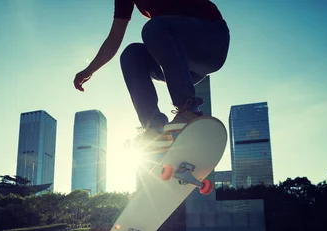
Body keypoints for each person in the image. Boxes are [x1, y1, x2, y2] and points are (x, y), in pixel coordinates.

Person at [74, 0, 230, 145]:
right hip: (184, 63)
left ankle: (188, 109)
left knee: (155, 27)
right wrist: (90, 70)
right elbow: (114, 37)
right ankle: (155, 128)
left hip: (211, 40)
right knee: (132, 55)